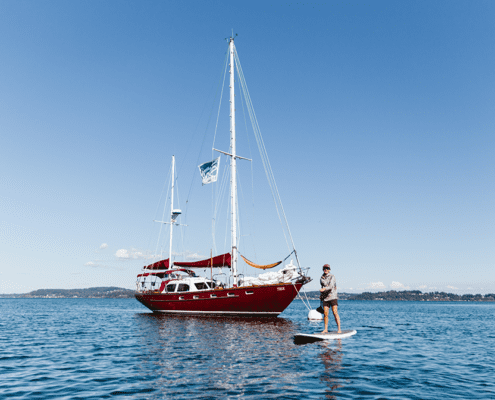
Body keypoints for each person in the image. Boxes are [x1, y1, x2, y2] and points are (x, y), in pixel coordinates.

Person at [320, 264, 341, 334]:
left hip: (333, 297)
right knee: (325, 314)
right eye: (324, 268)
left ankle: (339, 329)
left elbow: (331, 286)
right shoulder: (321, 278)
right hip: (325, 298)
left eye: (327, 268)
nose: (326, 269)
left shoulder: (332, 276)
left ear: (329, 269)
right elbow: (324, 285)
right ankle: (325, 329)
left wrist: (324, 289)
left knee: (335, 312)